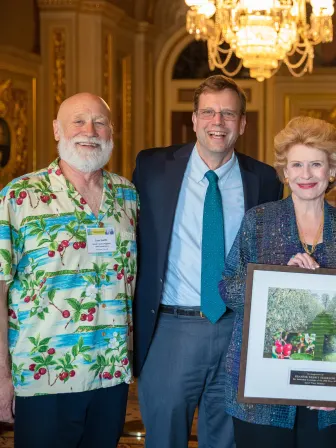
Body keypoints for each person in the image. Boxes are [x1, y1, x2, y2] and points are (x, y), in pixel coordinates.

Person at [132, 75, 283, 448]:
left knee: (227, 440)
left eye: (228, 114)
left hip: (237, 330)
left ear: (242, 124)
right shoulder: (152, 167)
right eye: (209, 112)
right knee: (164, 438)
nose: (218, 122)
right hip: (170, 329)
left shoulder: (263, 179)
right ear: (196, 119)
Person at [0, 93, 138, 448]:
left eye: (99, 122)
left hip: (111, 373)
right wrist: (1, 375)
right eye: (78, 121)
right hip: (43, 374)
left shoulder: (128, 196)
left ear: (112, 132)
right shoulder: (19, 197)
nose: (89, 130)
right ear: (57, 130)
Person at [220, 115, 336, 448]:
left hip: (327, 394)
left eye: (316, 164)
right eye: (297, 165)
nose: (306, 174)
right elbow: (227, 287)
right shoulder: (258, 221)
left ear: (331, 171)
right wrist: (277, 283)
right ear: (285, 172)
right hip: (263, 393)